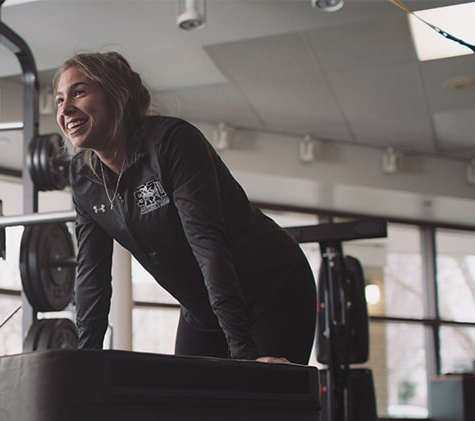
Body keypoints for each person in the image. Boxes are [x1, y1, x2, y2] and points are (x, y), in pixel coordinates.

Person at [54, 51, 316, 364]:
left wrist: (244, 357)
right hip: (203, 310)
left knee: (259, 404)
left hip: (272, 290)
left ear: (118, 97)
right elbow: (92, 277)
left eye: (79, 92)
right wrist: (86, 364)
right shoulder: (83, 177)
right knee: (189, 407)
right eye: (59, 99)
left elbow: (209, 248)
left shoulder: (172, 143)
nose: (65, 108)